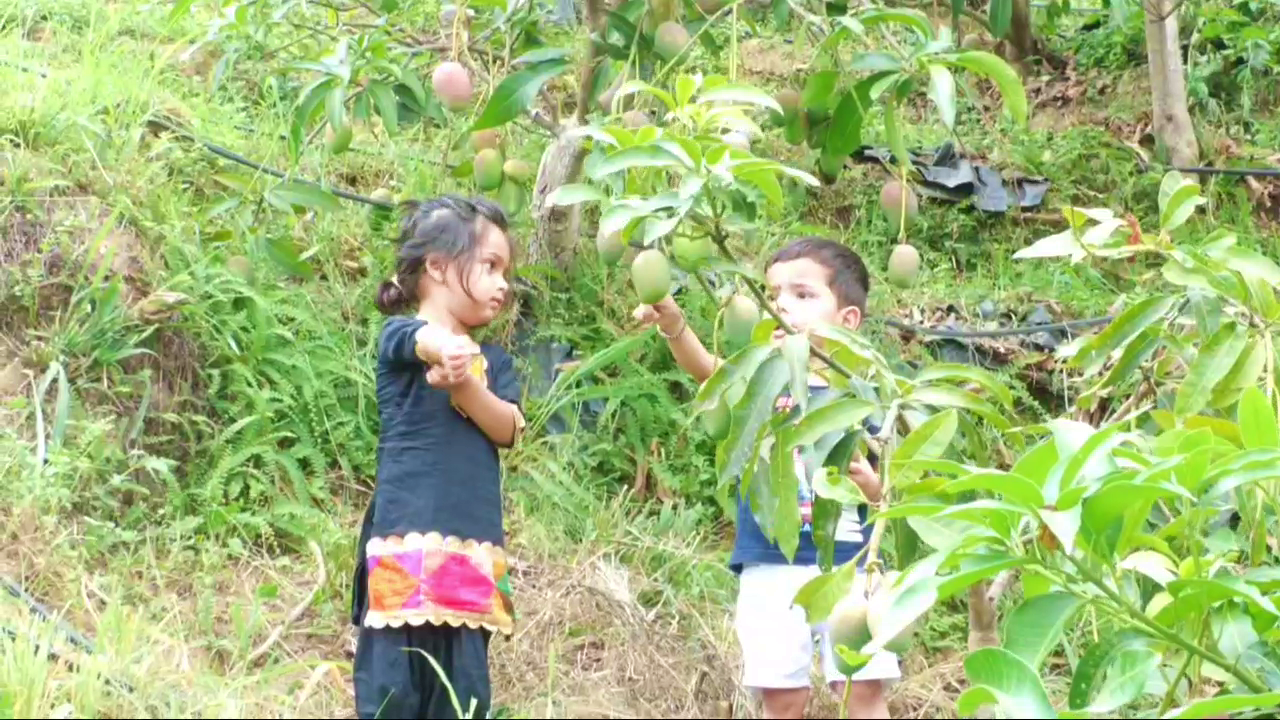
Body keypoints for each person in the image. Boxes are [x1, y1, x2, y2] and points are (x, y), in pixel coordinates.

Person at [633, 237, 897, 719]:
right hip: (771, 562)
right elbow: (708, 373)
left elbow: (894, 497)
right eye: (774, 296)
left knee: (862, 691)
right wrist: (674, 324)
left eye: (802, 295)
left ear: (848, 321)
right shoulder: (762, 382)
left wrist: (873, 487)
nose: (781, 308)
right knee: (782, 697)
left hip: (853, 566)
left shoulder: (867, 398)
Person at [350, 195, 526, 720]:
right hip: (402, 547)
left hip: (471, 555)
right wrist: (445, 351)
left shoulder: (494, 362)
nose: (503, 284)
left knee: (463, 694)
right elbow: (418, 338)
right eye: (490, 266)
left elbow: (510, 427)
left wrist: (465, 386)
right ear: (438, 267)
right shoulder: (399, 338)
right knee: (391, 693)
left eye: (505, 271)